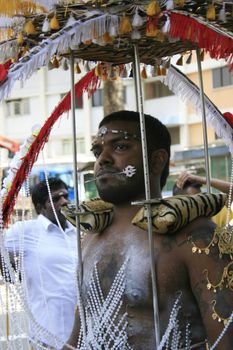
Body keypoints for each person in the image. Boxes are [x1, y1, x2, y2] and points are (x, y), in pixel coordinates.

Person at [65, 110, 233, 350]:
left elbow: (226, 341)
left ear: (156, 161)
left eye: (120, 147)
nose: (103, 159)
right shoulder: (92, 234)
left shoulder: (196, 236)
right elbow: (77, 339)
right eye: (97, 151)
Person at [2, 178, 77, 349]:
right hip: (48, 337)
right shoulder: (25, 231)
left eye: (66, 196)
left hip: (83, 334)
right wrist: (10, 268)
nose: (64, 201)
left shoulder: (77, 232)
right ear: (40, 207)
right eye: (55, 199)